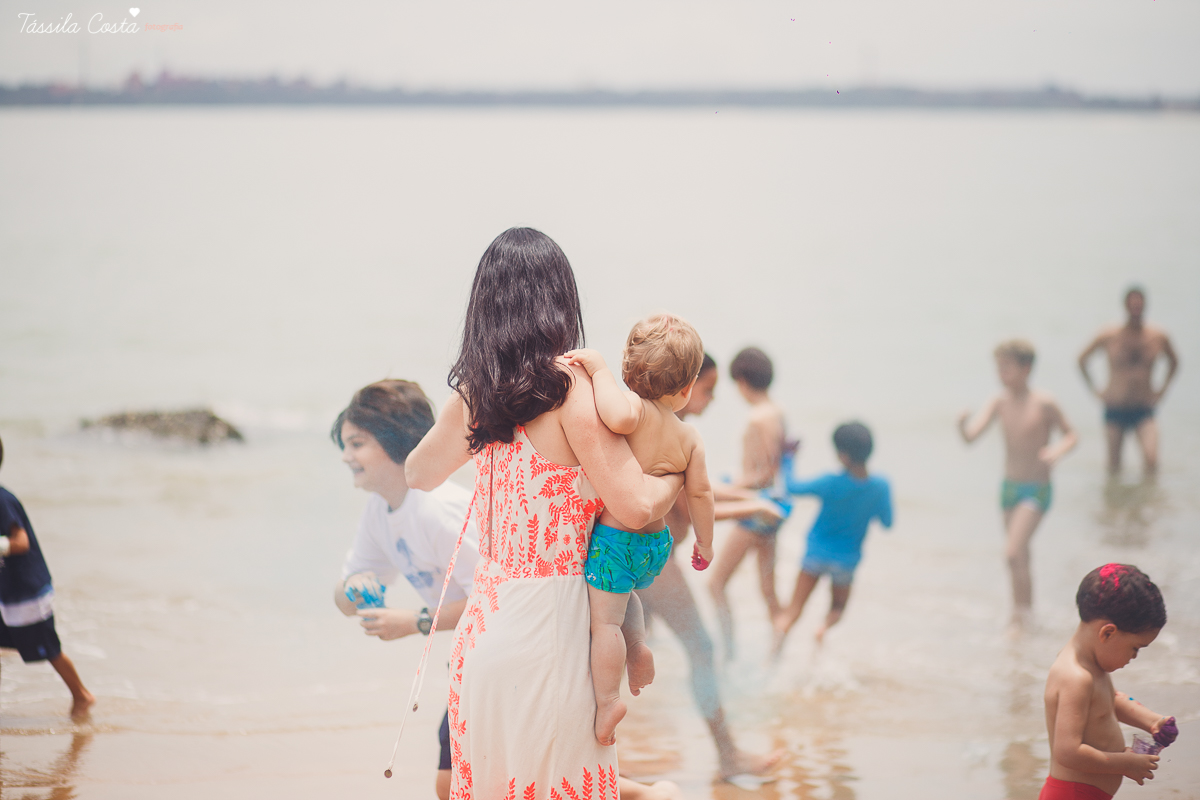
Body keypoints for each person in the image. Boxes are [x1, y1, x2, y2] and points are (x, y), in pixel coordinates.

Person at [405, 228, 686, 800]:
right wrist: (678, 476)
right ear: (562, 302)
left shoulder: (476, 397)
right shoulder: (573, 391)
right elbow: (633, 504)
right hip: (553, 633)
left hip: (486, 632)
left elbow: (417, 473)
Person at [563, 312, 716, 746]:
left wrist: (598, 369)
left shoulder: (633, 408)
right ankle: (638, 645)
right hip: (657, 545)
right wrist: (705, 542)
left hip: (616, 540)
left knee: (603, 624)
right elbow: (702, 495)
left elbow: (615, 415)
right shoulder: (689, 438)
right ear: (687, 389)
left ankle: (609, 700)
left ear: (629, 372)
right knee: (627, 593)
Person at [633, 353, 783, 782]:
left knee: (609, 658)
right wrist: (751, 506)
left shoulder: (654, 424)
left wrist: (748, 499)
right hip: (652, 559)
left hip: (633, 557)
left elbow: (700, 490)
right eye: (708, 389)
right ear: (684, 385)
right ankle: (728, 757)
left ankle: (598, 760)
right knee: (701, 648)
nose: (713, 399)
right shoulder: (675, 434)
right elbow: (696, 504)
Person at [329, 380, 480, 800]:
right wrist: (353, 588)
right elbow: (344, 602)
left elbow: (497, 600)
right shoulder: (380, 509)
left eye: (357, 444)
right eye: (344, 445)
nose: (346, 457)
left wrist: (415, 622)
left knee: (458, 781)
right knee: (462, 780)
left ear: (395, 442)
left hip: (508, 652)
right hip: (472, 653)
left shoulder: (437, 509)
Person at [959, 340, 1078, 630]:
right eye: (998, 368)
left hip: (1036, 489)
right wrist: (961, 425)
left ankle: (1020, 619)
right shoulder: (999, 402)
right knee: (1020, 556)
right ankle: (1024, 615)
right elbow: (971, 438)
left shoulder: (1044, 402)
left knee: (1012, 553)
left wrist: (1056, 451)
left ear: (1026, 368)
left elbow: (1072, 434)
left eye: (1006, 368)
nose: (1000, 374)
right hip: (1009, 489)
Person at [1041, 564, 1175, 799]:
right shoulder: (1075, 677)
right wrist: (1125, 763)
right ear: (1108, 633)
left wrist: (1152, 721)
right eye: (1135, 648)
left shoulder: (1091, 667)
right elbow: (1068, 752)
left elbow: (1107, 702)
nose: (1134, 657)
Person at [770, 422, 892, 655]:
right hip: (846, 561)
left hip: (815, 555)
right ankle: (823, 628)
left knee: (793, 611)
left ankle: (772, 658)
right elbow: (887, 523)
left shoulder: (831, 482)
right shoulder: (880, 487)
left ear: (843, 455)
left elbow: (793, 487)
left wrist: (788, 457)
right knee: (837, 607)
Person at [0, 434, 95, 721]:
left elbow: (21, 542)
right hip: (6, 591)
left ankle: (81, 695)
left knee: (48, 648)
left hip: (26, 591)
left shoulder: (2, 499)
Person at [706, 346, 788, 660]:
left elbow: (765, 472)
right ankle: (775, 658)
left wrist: (728, 484)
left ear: (741, 380)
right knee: (768, 589)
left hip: (756, 508)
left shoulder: (757, 418)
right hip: (773, 508)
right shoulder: (777, 410)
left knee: (716, 584)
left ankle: (727, 654)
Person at [1078, 287, 1180, 476]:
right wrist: (1096, 391)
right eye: (1132, 305)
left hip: (1143, 408)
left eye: (1139, 305)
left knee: (1151, 461)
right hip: (1116, 407)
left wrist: (1161, 391)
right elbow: (1082, 360)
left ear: (1144, 306)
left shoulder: (1157, 336)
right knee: (1114, 466)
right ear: (1125, 306)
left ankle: (1150, 502)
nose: (1135, 308)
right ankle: (1114, 505)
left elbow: (1174, 363)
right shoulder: (1109, 335)